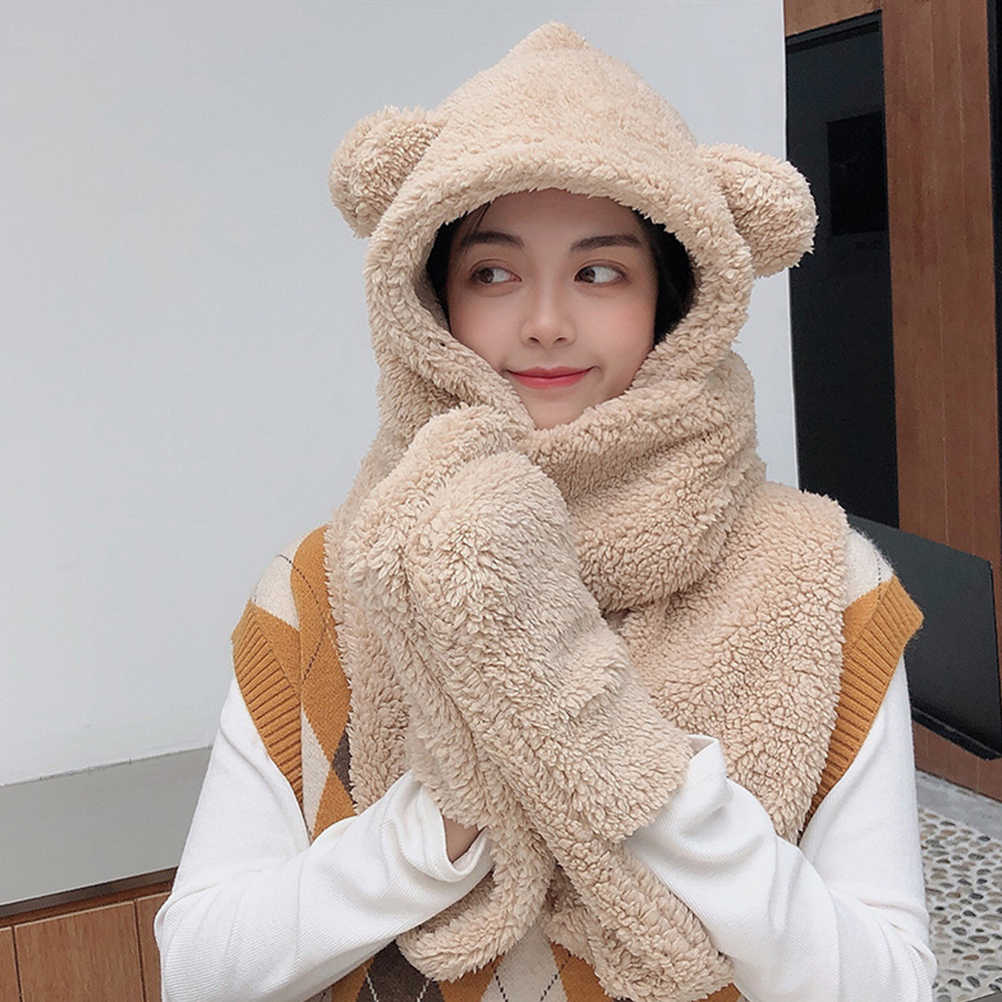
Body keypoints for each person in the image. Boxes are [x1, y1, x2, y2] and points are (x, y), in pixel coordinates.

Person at [155, 23, 936, 1002]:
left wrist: (617, 757)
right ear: (430, 300)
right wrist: (443, 823)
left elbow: (891, 985)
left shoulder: (825, 583)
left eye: (600, 271)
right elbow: (198, 972)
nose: (546, 323)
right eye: (493, 273)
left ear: (676, 300)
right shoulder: (325, 585)